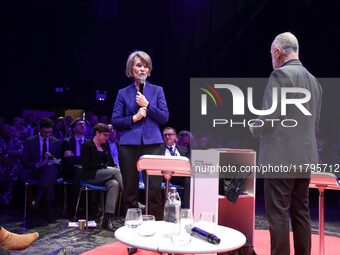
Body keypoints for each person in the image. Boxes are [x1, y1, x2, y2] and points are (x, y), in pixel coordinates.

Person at [250, 32, 322, 255]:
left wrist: (255, 126)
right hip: (305, 157)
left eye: (272, 54)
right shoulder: (315, 81)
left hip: (280, 157)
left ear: (277, 52)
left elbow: (270, 117)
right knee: (301, 212)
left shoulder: (280, 75)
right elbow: (315, 122)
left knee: (278, 213)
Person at [111, 50, 169, 220]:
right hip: (128, 145)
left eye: (146, 66)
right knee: (130, 190)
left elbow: (164, 117)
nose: (143, 69)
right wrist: (134, 118)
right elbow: (115, 121)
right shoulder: (123, 93)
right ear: (131, 69)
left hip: (154, 144)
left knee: (154, 189)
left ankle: (155, 225)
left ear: (149, 70)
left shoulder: (158, 91)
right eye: (139, 65)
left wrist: (148, 105)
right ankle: (132, 227)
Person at [80, 123, 123, 231]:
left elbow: (111, 163)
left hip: (104, 176)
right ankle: (128, 197)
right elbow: (87, 165)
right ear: (97, 133)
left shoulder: (105, 145)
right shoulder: (87, 145)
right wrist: (104, 166)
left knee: (114, 184)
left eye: (108, 135)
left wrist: (108, 167)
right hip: (91, 176)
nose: (107, 137)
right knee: (116, 172)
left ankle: (107, 220)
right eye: (105, 135)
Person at [21, 117, 62, 222]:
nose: (47, 135)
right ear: (40, 129)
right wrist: (39, 163)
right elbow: (24, 160)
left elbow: (59, 161)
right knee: (48, 175)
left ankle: (37, 200)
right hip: (35, 171)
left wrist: (52, 160)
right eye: (45, 132)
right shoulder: (30, 141)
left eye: (49, 132)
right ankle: (49, 209)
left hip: (51, 171)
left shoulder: (56, 142)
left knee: (48, 169)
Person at [160, 127, 190, 208]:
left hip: (180, 176)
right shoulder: (158, 150)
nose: (167, 137)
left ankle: (186, 209)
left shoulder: (184, 150)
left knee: (188, 180)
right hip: (163, 176)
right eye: (165, 135)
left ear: (175, 137)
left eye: (170, 134)